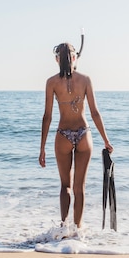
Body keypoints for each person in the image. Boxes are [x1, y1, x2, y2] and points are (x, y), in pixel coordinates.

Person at [39, 42, 113, 228]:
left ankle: (64, 228)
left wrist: (42, 148)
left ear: (57, 59)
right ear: (74, 58)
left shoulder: (52, 82)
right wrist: (106, 140)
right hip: (83, 134)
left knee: (66, 186)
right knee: (80, 187)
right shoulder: (86, 79)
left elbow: (47, 116)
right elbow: (95, 112)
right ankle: (78, 230)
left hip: (63, 134)